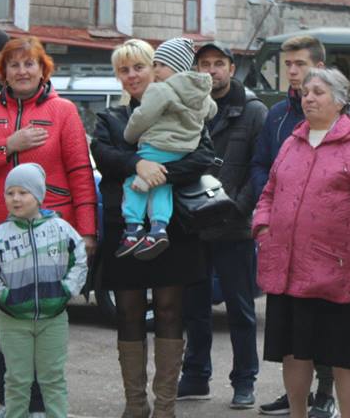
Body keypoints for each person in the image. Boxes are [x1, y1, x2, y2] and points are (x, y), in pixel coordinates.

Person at [0, 35, 98, 411]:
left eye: (29, 63)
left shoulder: (63, 110)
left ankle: (41, 404)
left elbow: (81, 171)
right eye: (14, 65)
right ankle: (13, 401)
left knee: (45, 319)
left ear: (42, 68)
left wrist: (86, 230)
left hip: (51, 234)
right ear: (3, 72)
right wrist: (8, 145)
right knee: (7, 320)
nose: (21, 71)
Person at [254, 67, 350, 418]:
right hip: (287, 267)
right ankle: (298, 413)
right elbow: (269, 193)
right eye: (305, 92)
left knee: (341, 355)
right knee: (293, 352)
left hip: (336, 271)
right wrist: (263, 227)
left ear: (341, 101)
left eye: (318, 92)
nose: (309, 98)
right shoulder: (291, 142)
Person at [91, 38, 215, 418]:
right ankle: (134, 404)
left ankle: (165, 406)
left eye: (139, 67)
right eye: (123, 70)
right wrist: (135, 166)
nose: (131, 76)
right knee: (128, 311)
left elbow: (204, 157)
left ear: (157, 69)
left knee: (168, 309)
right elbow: (104, 155)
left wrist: (157, 172)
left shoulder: (183, 108)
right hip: (125, 228)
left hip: (173, 228)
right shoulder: (111, 117)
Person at [251, 35, 339, 418]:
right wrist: (267, 210)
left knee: (320, 320)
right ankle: (295, 394)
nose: (291, 72)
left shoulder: (336, 116)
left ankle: (325, 393)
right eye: (287, 65)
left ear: (319, 66)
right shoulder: (276, 115)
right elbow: (260, 165)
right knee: (287, 324)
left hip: (321, 240)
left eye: (299, 64)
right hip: (282, 236)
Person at [177, 43, 267, 408]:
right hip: (192, 224)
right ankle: (196, 375)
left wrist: (238, 208)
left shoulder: (253, 111)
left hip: (233, 226)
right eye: (204, 64)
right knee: (194, 308)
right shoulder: (187, 107)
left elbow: (261, 168)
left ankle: (244, 381)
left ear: (232, 68)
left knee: (240, 310)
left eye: (218, 64)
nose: (211, 71)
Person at [0, 163, 88, 418]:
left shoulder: (61, 230)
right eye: (10, 192)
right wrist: (2, 296)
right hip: (13, 321)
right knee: (16, 380)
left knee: (53, 379)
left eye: (23, 192)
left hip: (53, 319)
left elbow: (79, 259)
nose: (15, 198)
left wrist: (67, 290)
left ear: (38, 196)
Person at [119, 37, 216, 260]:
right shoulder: (201, 92)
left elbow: (142, 117)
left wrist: (129, 136)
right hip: (183, 150)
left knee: (134, 183)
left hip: (156, 146)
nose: (157, 70)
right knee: (162, 186)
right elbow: (212, 111)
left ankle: (133, 229)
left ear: (177, 68)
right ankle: (158, 228)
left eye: (162, 65)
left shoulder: (160, 90)